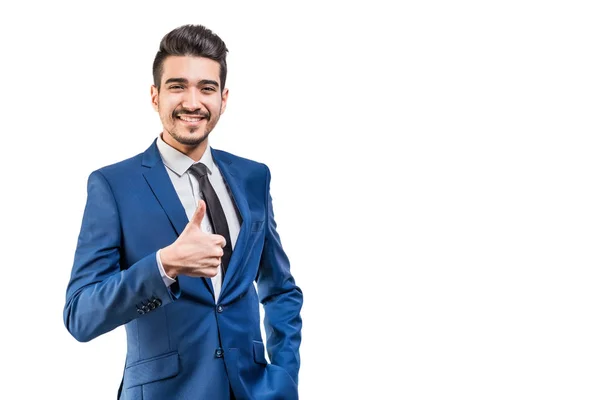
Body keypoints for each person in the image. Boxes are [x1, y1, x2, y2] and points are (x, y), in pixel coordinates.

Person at [63, 24, 303, 400]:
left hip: (254, 390)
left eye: (206, 88)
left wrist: (284, 378)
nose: (193, 102)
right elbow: (81, 315)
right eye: (178, 86)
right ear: (155, 96)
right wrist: (164, 265)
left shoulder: (254, 177)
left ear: (224, 98)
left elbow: (281, 290)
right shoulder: (113, 185)